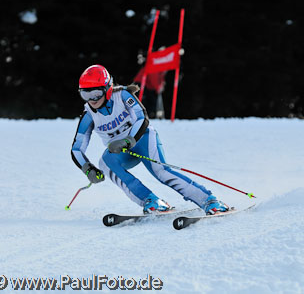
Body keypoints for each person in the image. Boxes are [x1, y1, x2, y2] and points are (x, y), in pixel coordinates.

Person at [71, 65, 229, 215]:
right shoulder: (88, 115)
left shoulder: (122, 95)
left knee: (161, 172)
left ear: (107, 89)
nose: (92, 100)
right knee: (104, 163)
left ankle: (209, 200)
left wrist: (128, 140)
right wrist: (88, 169)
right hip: (121, 152)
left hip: (143, 139)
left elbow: (142, 117)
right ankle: (151, 201)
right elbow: (76, 149)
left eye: (96, 94)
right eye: (85, 94)